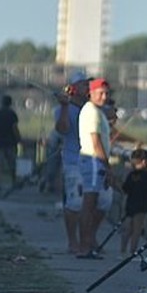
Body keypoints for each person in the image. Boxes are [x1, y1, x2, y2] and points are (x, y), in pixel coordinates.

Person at [77, 78, 115, 258]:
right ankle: (84, 245)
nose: (104, 96)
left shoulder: (98, 112)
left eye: (106, 93)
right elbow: (95, 141)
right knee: (89, 203)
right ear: (91, 93)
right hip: (93, 161)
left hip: (96, 162)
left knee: (102, 202)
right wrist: (107, 166)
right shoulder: (91, 111)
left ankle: (90, 240)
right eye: (100, 93)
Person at [54, 73, 88, 255]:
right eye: (83, 85)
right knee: (75, 202)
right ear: (74, 88)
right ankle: (72, 241)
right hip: (72, 161)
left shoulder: (90, 108)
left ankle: (87, 239)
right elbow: (63, 129)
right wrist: (65, 106)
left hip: (91, 161)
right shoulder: (62, 109)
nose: (87, 88)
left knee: (97, 203)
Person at [121, 148, 147, 258]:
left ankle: (123, 251)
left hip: (130, 204)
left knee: (128, 229)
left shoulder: (132, 175)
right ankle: (132, 252)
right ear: (144, 161)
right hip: (142, 206)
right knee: (137, 230)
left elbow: (124, 189)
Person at [0, 95, 21, 189]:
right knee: (12, 164)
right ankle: (14, 182)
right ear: (10, 103)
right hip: (10, 142)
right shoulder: (12, 114)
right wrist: (18, 139)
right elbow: (15, 128)